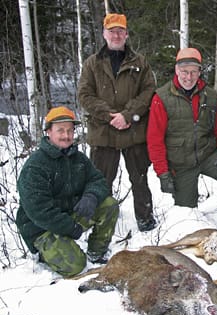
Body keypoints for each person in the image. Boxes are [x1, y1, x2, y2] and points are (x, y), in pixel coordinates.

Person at [147, 47, 217, 234]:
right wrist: (162, 173)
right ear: (176, 70)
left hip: (207, 154)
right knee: (187, 214)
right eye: (185, 71)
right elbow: (155, 140)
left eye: (194, 71)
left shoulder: (210, 95)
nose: (189, 76)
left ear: (199, 72)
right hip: (181, 163)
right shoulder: (161, 98)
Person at [15, 106, 119, 277]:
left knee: (109, 205)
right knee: (76, 266)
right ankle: (44, 252)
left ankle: (96, 252)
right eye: (60, 130)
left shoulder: (78, 158)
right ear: (48, 132)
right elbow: (39, 211)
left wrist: (91, 196)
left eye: (70, 130)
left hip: (70, 215)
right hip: (41, 228)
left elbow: (98, 180)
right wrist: (70, 228)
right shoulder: (35, 166)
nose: (66, 135)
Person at [77, 13, 156, 232]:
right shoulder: (92, 63)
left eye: (120, 30)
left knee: (139, 178)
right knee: (101, 181)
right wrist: (110, 115)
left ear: (127, 34)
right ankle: (104, 219)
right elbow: (84, 95)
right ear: (104, 33)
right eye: (112, 30)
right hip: (103, 132)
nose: (116, 35)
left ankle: (145, 217)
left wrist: (128, 115)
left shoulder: (140, 62)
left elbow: (149, 91)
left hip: (133, 131)